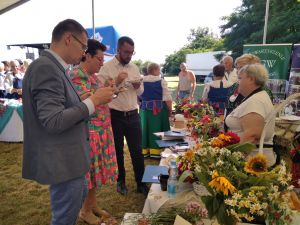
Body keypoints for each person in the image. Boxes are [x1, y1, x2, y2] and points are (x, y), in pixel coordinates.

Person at [22, 19, 115, 225]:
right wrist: (94, 100)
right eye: (83, 46)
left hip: (71, 158)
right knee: (64, 218)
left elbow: (66, 107)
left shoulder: (56, 68)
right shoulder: (46, 68)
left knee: (72, 207)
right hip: (62, 160)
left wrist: (93, 98)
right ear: (68, 39)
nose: (84, 53)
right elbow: (53, 120)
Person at [69, 39, 118, 225]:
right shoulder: (76, 75)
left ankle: (93, 204)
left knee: (95, 173)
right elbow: (84, 104)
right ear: (87, 55)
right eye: (99, 58)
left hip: (101, 131)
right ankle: (85, 210)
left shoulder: (93, 77)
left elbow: (101, 99)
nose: (102, 62)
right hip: (89, 134)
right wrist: (104, 92)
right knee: (88, 173)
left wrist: (111, 88)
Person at [98, 36, 149, 196]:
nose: (129, 55)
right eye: (126, 52)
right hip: (115, 115)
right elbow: (101, 92)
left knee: (137, 150)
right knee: (118, 150)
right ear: (118, 49)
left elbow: (140, 92)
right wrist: (117, 81)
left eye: (132, 52)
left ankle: (141, 182)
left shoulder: (134, 67)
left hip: (133, 114)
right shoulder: (106, 68)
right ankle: (121, 181)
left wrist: (138, 86)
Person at [225, 63, 276, 166]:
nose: (237, 82)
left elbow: (251, 136)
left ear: (251, 79)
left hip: (252, 163)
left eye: (240, 78)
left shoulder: (256, 101)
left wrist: (232, 160)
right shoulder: (256, 97)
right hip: (250, 160)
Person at [225, 54, 273, 123]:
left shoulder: (262, 90)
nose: (237, 71)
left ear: (254, 70)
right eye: (237, 68)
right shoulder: (235, 86)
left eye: (241, 68)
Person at [139, 63, 172, 158]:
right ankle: (159, 151)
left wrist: (140, 104)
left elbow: (137, 96)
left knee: (146, 130)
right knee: (159, 129)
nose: (159, 72)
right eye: (159, 70)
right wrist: (170, 110)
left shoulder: (141, 81)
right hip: (160, 111)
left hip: (145, 111)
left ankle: (146, 150)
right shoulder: (161, 81)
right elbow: (167, 98)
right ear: (154, 70)